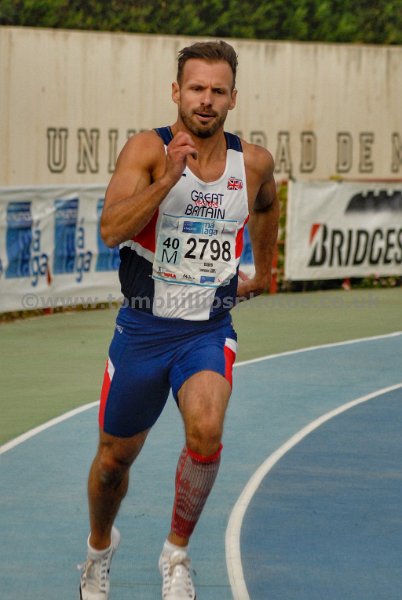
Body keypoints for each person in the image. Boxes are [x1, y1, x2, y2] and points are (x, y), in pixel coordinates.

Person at [79, 39, 279, 600]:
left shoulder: (253, 163)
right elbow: (111, 230)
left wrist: (264, 271)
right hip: (143, 329)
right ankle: (98, 550)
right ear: (176, 92)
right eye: (196, 88)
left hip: (206, 330)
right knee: (113, 462)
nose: (206, 100)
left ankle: (176, 553)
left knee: (207, 430)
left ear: (233, 98)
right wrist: (167, 179)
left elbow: (266, 203)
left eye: (218, 90)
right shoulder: (147, 150)